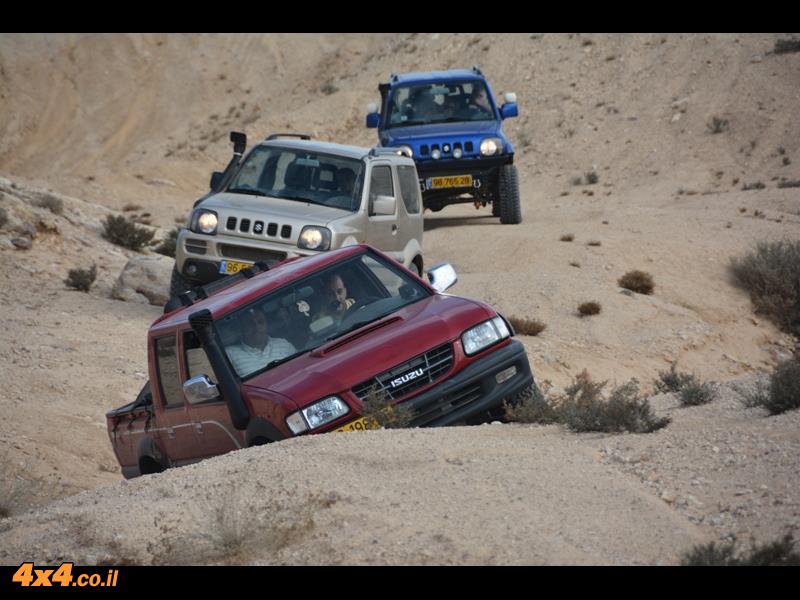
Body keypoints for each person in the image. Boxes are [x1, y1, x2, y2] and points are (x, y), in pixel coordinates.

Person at [226, 307, 296, 377]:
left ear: (266, 325)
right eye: (250, 323)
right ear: (243, 327)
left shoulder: (283, 345)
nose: (256, 327)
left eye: (260, 322)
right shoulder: (230, 354)